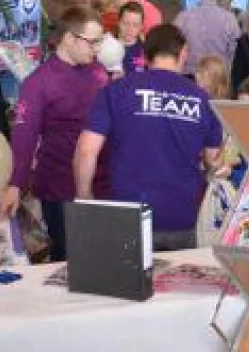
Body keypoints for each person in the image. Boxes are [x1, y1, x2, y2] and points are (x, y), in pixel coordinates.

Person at [74, 25, 224, 252]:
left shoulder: (117, 91)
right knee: (177, 275)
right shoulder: (202, 99)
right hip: (180, 216)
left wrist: (84, 195)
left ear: (145, 55)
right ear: (183, 52)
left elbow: (86, 150)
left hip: (128, 215)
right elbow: (214, 159)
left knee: (128, 276)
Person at [0, 7, 108, 261]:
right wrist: (15, 184)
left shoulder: (98, 71)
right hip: (61, 188)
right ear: (69, 39)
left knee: (103, 259)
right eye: (92, 42)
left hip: (102, 183)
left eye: (99, 42)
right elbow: (24, 136)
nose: (97, 49)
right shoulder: (39, 83)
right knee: (70, 261)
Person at [173, 0, 241, 77]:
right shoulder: (230, 19)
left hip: (190, 78)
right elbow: (235, 53)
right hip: (219, 78)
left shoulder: (182, 18)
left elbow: (173, 49)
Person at [117, 2, 147, 76]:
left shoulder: (145, 50)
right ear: (118, 22)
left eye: (135, 25)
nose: (130, 29)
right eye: (126, 23)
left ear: (141, 26)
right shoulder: (107, 47)